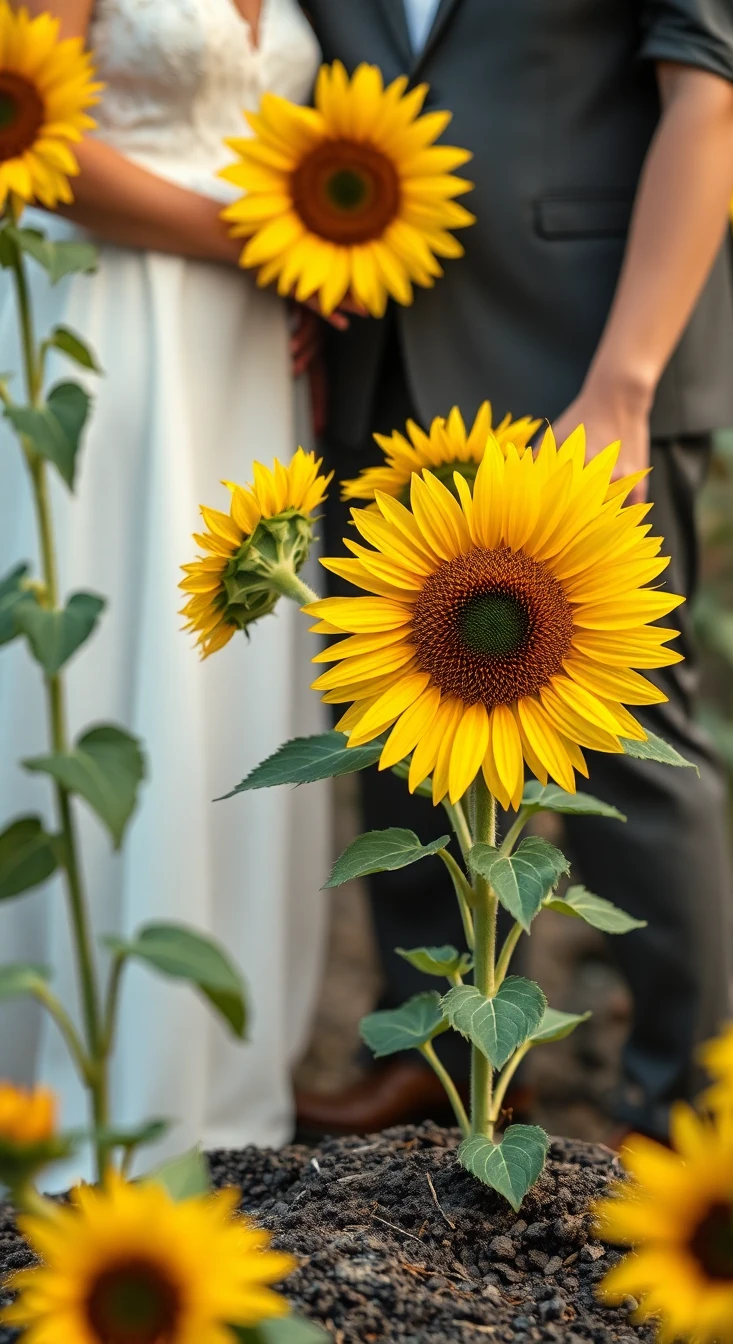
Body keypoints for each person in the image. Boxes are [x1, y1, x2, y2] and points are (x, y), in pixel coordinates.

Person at [295, 0, 733, 1142]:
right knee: (401, 711)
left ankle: (690, 1094)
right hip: (384, 342)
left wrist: (627, 378)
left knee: (630, 728)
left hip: (589, 348)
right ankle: (436, 1051)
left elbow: (715, 77)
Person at [0, 0, 330, 1182]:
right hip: (109, 324)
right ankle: (80, 1083)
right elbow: (31, 139)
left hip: (252, 354)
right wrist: (260, 239)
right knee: (106, 671)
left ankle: (226, 1087)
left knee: (234, 690)